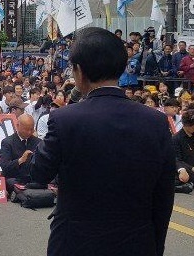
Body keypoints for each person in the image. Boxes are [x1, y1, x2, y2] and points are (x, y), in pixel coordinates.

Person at [30, 27, 175, 256]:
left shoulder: (64, 119)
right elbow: (164, 195)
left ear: (79, 71)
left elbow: (39, 172)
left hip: (76, 242)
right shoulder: (156, 121)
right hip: (137, 242)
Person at [0, 114, 41, 193]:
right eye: (26, 129)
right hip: (14, 177)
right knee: (13, 183)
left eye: (31, 129)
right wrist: (20, 160)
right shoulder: (7, 142)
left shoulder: (38, 142)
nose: (29, 132)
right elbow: (5, 167)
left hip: (31, 178)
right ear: (17, 126)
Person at [173, 108, 194, 189]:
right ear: (187, 125)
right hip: (187, 168)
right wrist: (189, 168)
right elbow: (177, 159)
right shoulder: (176, 139)